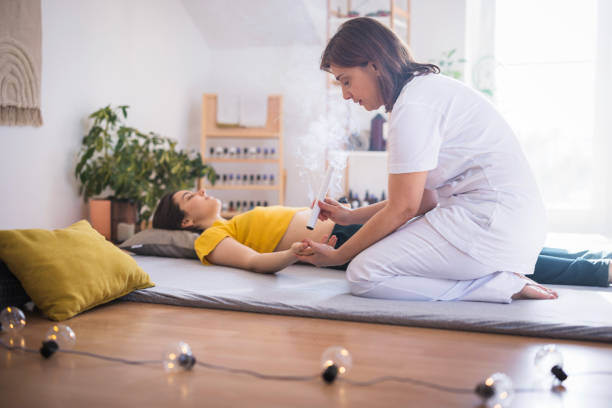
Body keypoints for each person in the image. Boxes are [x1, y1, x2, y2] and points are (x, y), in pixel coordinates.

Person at [292, 16, 555, 303]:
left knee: (364, 274)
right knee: (378, 258)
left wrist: (338, 256)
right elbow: (423, 200)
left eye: (346, 81)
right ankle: (496, 280)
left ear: (374, 65)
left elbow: (403, 208)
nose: (345, 95)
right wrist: (351, 216)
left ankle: (498, 286)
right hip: (507, 222)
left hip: (492, 224)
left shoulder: (414, 106)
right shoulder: (423, 92)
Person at [152, 190, 611, 301]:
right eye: (189, 197)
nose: (200, 190)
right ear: (186, 220)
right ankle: (596, 270)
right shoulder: (212, 237)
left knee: (469, 240)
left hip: (346, 231)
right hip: (343, 246)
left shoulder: (234, 219)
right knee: (468, 248)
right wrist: (294, 254)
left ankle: (594, 261)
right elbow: (253, 263)